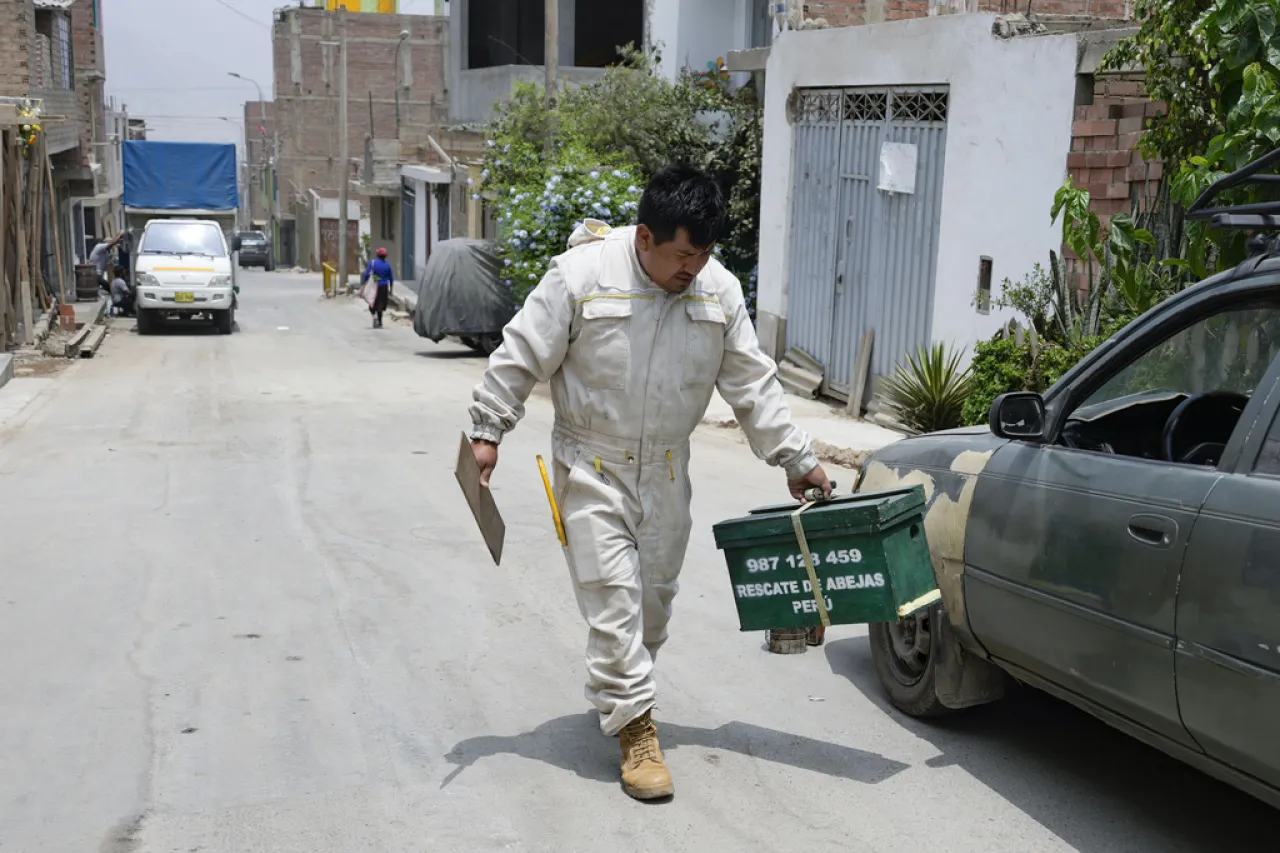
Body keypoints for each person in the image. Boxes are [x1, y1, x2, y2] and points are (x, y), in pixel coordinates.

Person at [467, 164, 832, 801]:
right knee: (612, 600)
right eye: (683, 253)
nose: (693, 267)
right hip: (592, 464)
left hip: (668, 468)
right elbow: (521, 352)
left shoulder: (717, 292)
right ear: (644, 238)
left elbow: (751, 384)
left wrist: (797, 459)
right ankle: (637, 730)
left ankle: (625, 686)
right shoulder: (580, 276)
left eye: (706, 253)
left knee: (652, 607)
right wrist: (488, 428)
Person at [361, 247, 395, 328]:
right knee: (380, 305)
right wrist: (391, 290)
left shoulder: (372, 263)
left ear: (377, 255)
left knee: (371, 302)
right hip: (384, 287)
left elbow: (367, 275)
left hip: (374, 286)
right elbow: (391, 278)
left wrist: (366, 283)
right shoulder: (387, 265)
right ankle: (380, 322)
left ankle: (374, 316)